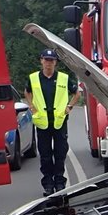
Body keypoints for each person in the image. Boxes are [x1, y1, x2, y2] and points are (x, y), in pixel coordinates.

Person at [25, 49, 81, 195]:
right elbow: (27, 91)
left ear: (55, 62)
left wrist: (70, 106)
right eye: (46, 60)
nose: (48, 63)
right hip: (43, 122)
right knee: (45, 155)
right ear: (41, 61)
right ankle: (48, 184)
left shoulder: (63, 78)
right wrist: (31, 106)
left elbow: (77, 93)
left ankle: (60, 182)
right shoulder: (33, 78)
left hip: (59, 121)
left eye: (52, 60)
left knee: (60, 153)